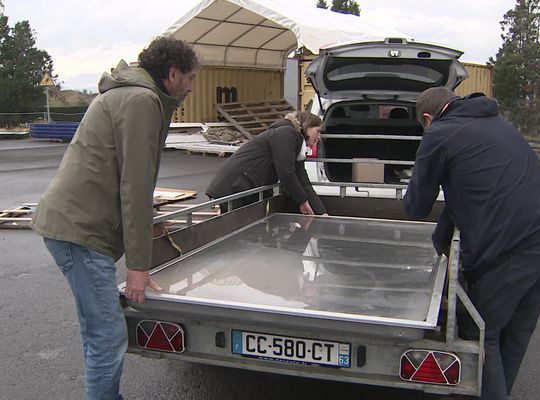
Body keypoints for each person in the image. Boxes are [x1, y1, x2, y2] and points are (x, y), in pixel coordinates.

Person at [31, 36, 199, 400]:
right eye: (189, 78)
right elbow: (134, 185)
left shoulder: (131, 94)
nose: (190, 87)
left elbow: (127, 176)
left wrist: (152, 222)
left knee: (97, 330)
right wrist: (139, 266)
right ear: (172, 73)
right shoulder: (141, 101)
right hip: (81, 231)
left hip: (74, 225)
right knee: (107, 335)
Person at [403, 87, 540, 400]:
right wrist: (440, 243)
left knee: (480, 333)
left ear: (428, 118)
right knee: (516, 334)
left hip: (516, 247)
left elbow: (417, 206)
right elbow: (466, 197)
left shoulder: (439, 133)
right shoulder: (496, 123)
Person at [206, 111, 327, 215]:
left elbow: (303, 180)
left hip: (244, 186)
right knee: (237, 233)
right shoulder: (286, 134)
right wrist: (302, 201)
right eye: (318, 131)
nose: (319, 137)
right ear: (307, 125)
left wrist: (322, 212)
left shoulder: (294, 141)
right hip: (234, 186)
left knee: (246, 233)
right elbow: (286, 173)